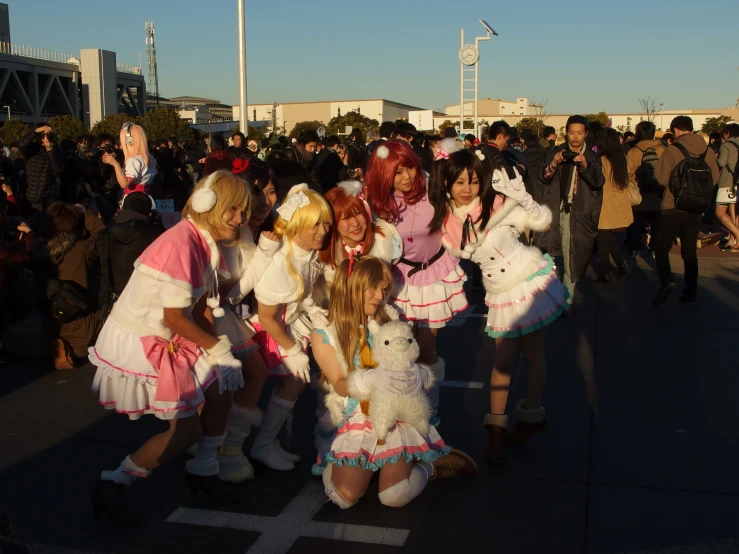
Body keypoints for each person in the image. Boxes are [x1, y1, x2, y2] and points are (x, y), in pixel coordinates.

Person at [89, 171, 250, 523]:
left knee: (222, 387)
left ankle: (204, 470)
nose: (241, 219)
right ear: (210, 205)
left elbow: (199, 306)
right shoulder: (182, 244)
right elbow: (177, 318)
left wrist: (220, 351)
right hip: (144, 340)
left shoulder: (201, 238)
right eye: (233, 210)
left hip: (171, 332)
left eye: (243, 211)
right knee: (187, 429)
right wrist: (218, 349)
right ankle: (115, 482)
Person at [429, 144, 567, 463]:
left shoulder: (500, 202)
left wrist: (522, 195)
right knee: (503, 361)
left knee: (532, 355)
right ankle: (496, 429)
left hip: (530, 281)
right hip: (500, 292)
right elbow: (440, 256)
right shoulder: (446, 220)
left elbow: (542, 222)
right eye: (460, 181)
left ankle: (532, 415)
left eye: (474, 181)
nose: (468, 188)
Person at [311, 256, 476, 509]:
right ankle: (346, 462)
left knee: (394, 497)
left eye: (384, 288)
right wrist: (369, 378)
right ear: (351, 285)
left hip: (395, 415)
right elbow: (340, 384)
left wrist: (419, 375)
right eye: (374, 287)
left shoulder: (390, 319)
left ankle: (431, 465)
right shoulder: (325, 332)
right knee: (343, 497)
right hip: (356, 416)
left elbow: (409, 362)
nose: (380, 295)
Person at [364, 140, 468, 417]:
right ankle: (398, 409)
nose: (407, 176)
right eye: (397, 173)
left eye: (409, 167)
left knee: (426, 349)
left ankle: (429, 410)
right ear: (385, 175)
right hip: (399, 281)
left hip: (432, 277)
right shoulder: (377, 204)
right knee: (396, 352)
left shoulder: (434, 188)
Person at [247, 184, 333, 471]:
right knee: (284, 383)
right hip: (269, 329)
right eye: (315, 224)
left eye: (325, 223)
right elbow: (267, 316)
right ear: (296, 225)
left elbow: (304, 292)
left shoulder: (304, 252)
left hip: (287, 323)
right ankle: (247, 447)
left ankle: (265, 443)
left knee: (290, 384)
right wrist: (293, 349)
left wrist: (313, 311)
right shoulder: (281, 262)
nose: (323, 230)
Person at [213, 159, 281, 483]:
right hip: (216, 315)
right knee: (246, 376)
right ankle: (225, 449)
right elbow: (232, 292)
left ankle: (220, 444)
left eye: (271, 192)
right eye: (256, 192)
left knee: (239, 381)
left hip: (238, 315)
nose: (265, 201)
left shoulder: (254, 229)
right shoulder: (230, 232)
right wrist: (268, 252)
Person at [537, 115, 605, 314]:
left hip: (578, 214)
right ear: (566, 132)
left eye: (579, 133)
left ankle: (567, 299)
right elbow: (542, 176)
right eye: (571, 132)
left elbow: (598, 182)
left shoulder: (592, 157)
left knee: (571, 257)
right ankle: (548, 295)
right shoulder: (556, 151)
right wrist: (555, 163)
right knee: (547, 254)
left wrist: (585, 167)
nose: (575, 138)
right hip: (554, 211)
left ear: (586, 134)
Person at [652, 116, 719, 305]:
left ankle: (666, 280)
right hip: (696, 208)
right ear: (692, 129)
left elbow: (662, 179)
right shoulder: (707, 151)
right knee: (689, 251)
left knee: (662, 247)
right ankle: (691, 291)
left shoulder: (672, 150)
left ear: (675, 130)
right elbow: (714, 178)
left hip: (672, 206)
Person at [34, 202, 106, 370]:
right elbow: (102, 236)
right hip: (83, 323)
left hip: (51, 321)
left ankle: (59, 342)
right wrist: (86, 213)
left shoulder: (39, 252)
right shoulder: (80, 249)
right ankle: (75, 349)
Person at [317, 181, 401, 301]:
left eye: (358, 213)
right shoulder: (326, 249)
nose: (355, 223)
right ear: (333, 223)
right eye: (346, 218)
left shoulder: (384, 240)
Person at [97, 192, 163, 309]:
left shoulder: (104, 234)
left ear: (122, 208)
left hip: (113, 300)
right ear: (149, 212)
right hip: (145, 300)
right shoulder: (156, 234)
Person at [595, 128, 638, 282]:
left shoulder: (601, 159)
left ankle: (604, 273)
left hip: (604, 204)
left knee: (602, 239)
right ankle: (620, 264)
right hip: (619, 202)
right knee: (606, 238)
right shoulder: (622, 157)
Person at [625, 121, 666, 258]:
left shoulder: (633, 151)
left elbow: (628, 173)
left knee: (636, 221)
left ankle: (634, 248)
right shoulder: (663, 149)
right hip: (658, 191)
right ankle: (654, 248)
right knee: (657, 222)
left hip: (639, 191)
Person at [101, 123, 157, 200]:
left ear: (128, 141)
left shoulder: (133, 160)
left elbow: (124, 184)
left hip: (133, 200)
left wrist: (115, 164)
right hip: (146, 197)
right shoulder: (149, 159)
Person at [18, 125, 65, 213]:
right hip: (29, 196)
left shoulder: (56, 150)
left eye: (47, 135)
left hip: (48, 197)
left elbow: (57, 170)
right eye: (42, 135)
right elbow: (21, 144)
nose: (44, 138)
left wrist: (50, 150)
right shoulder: (31, 149)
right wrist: (35, 131)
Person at [715, 123, 739, 251]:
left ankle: (737, 236)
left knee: (720, 212)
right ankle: (732, 239)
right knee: (735, 212)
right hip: (737, 184)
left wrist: (716, 158)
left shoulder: (726, 145)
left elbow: (721, 162)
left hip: (727, 182)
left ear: (728, 133)